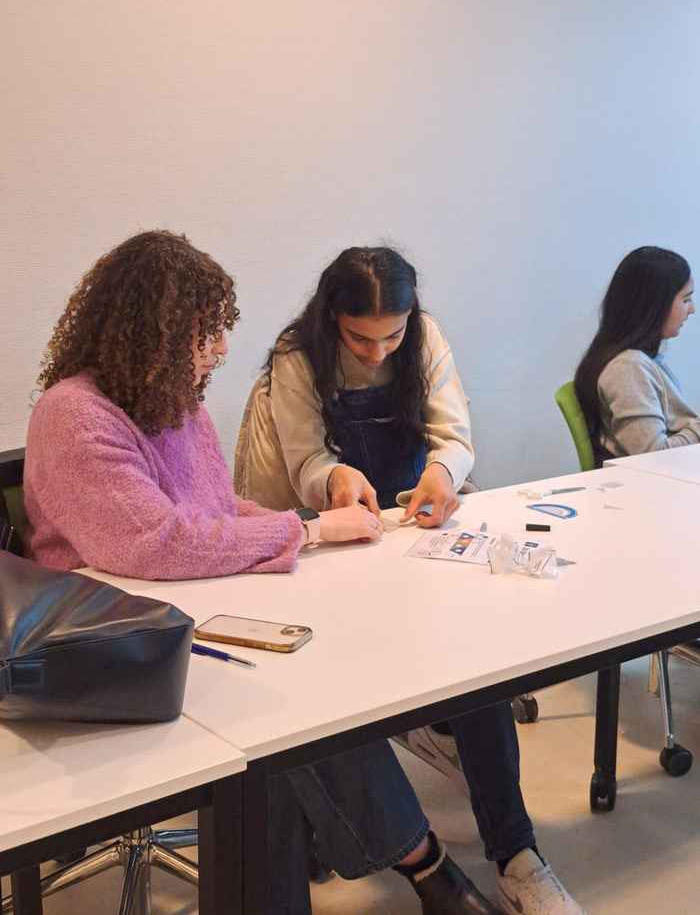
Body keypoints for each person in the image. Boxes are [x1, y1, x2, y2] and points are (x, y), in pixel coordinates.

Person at [24, 229, 505, 915]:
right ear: (148, 332)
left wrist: (314, 535)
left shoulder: (173, 404)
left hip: (183, 618)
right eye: (205, 332)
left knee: (296, 715)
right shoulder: (73, 415)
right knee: (285, 720)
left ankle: (418, 868)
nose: (220, 349)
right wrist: (305, 530)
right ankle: (426, 864)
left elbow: (219, 510)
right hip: (107, 650)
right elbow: (153, 544)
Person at [235, 245, 585, 915]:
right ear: (332, 317)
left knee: (478, 675)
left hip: (418, 529)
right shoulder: (295, 357)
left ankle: (517, 855)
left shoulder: (426, 340)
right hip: (340, 540)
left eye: (391, 334)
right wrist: (333, 479)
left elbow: (455, 437)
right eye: (360, 338)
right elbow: (304, 457)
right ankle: (378, 829)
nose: (377, 352)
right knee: (338, 682)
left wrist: (442, 474)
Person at [574, 245, 697, 463]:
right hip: (654, 486)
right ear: (655, 304)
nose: (692, 309)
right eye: (686, 299)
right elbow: (653, 455)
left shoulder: (641, 360)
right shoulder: (628, 368)